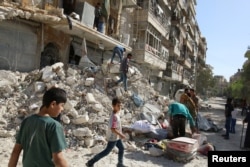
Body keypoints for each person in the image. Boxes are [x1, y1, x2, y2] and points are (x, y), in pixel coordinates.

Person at [8, 88, 69, 167]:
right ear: (53, 104)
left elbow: (16, 152)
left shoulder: (27, 121)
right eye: (62, 105)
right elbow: (58, 158)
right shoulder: (54, 126)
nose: (62, 109)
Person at [86, 98, 127, 167]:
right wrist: (121, 134)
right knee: (106, 152)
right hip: (113, 138)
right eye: (118, 105)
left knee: (121, 148)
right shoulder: (114, 117)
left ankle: (120, 164)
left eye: (120, 105)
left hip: (116, 137)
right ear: (113, 106)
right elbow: (113, 129)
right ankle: (90, 162)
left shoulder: (116, 113)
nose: (120, 107)